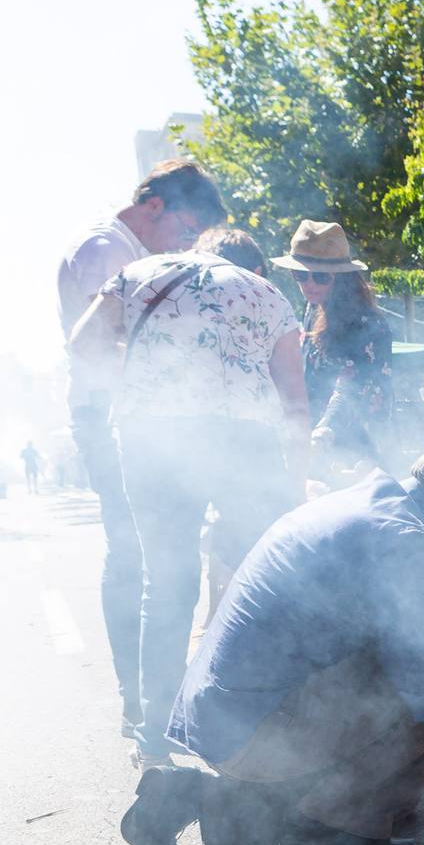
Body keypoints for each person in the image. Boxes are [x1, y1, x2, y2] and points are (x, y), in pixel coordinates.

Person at [122, 440, 424, 845]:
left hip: (228, 721)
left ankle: (205, 797)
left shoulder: (374, 505)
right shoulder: (400, 541)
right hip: (256, 734)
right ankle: (333, 831)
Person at [69, 228, 309, 769]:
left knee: (167, 586)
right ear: (253, 266)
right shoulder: (268, 295)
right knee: (259, 578)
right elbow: (294, 402)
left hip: (155, 437)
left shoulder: (138, 272)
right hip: (245, 441)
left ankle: (155, 743)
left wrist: (140, 367)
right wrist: (294, 485)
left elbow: (82, 345)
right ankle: (256, 728)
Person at [57, 159, 228, 734]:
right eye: (184, 229)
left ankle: (151, 695)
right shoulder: (109, 250)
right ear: (154, 204)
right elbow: (105, 347)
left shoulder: (125, 248)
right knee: (136, 555)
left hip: (138, 417)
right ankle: (140, 698)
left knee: (153, 555)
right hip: (114, 416)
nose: (185, 243)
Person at [272, 220, 394, 476]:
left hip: (359, 447)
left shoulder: (367, 323)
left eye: (320, 276)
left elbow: (352, 387)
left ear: (342, 278)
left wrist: (323, 433)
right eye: (301, 275)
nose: (309, 284)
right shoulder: (313, 308)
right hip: (318, 442)